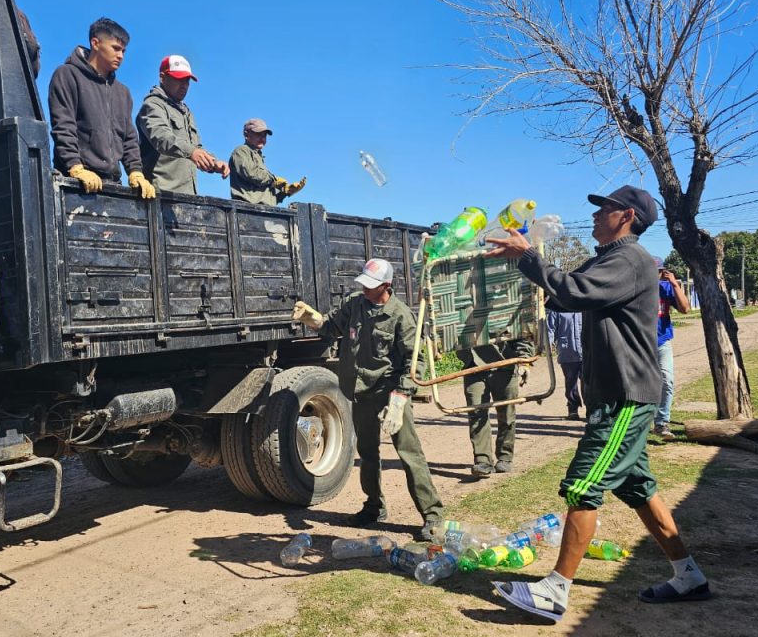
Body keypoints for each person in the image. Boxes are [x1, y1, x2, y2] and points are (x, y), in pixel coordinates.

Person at [484, 185, 711, 622]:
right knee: (639, 488)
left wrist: (529, 256)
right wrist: (520, 261)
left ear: (625, 215)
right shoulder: (612, 258)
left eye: (602, 208)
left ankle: (555, 591)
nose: (594, 215)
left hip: (626, 395)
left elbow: (573, 291)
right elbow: (564, 291)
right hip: (616, 395)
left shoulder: (630, 260)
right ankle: (688, 576)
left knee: (584, 487)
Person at [291, 259, 444, 541]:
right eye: (363, 284)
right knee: (368, 453)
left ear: (386, 286)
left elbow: (415, 362)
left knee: (410, 454)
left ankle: (432, 515)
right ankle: (373, 507)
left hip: (391, 395)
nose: (364, 289)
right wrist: (313, 319)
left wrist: (399, 399)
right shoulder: (355, 304)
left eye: (370, 286)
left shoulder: (401, 316)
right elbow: (330, 327)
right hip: (361, 392)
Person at [48, 18, 154, 199]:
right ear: (95, 43)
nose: (121, 55)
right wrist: (75, 166)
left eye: (124, 51)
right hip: (76, 186)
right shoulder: (67, 75)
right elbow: (63, 125)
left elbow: (129, 138)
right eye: (116, 48)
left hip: (113, 186)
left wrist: (136, 172)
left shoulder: (123, 92)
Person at [136, 55, 229, 195]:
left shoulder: (186, 112)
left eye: (187, 80)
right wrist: (191, 152)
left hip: (187, 196)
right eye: (179, 79)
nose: (184, 85)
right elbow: (162, 137)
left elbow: (196, 148)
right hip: (160, 195)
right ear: (162, 77)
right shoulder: (152, 105)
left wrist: (213, 163)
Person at [458, 334, 534, 478]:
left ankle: (505, 456)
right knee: (476, 413)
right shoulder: (460, 312)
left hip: (504, 365)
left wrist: (524, 362)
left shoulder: (501, 312)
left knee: (506, 413)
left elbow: (522, 331)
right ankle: (482, 460)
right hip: (473, 368)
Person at [652, 257, 690, 438]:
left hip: (662, 342)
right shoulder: (635, 289)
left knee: (667, 380)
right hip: (639, 344)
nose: (655, 275)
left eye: (659, 272)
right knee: (642, 385)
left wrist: (675, 285)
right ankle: (641, 423)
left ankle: (661, 423)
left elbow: (685, 309)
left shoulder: (666, 288)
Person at [228, 118, 306, 205]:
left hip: (261, 211)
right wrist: (273, 180)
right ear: (246, 134)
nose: (262, 138)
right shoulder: (241, 151)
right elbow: (252, 173)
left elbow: (267, 198)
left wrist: (286, 192)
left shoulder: (258, 156)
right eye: (258, 134)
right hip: (247, 209)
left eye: (264, 135)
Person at [546, 295, 584, 420]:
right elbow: (550, 330)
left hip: (587, 352)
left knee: (588, 382)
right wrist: (546, 346)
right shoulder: (556, 310)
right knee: (571, 382)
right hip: (567, 352)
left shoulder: (584, 308)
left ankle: (592, 408)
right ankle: (573, 409)